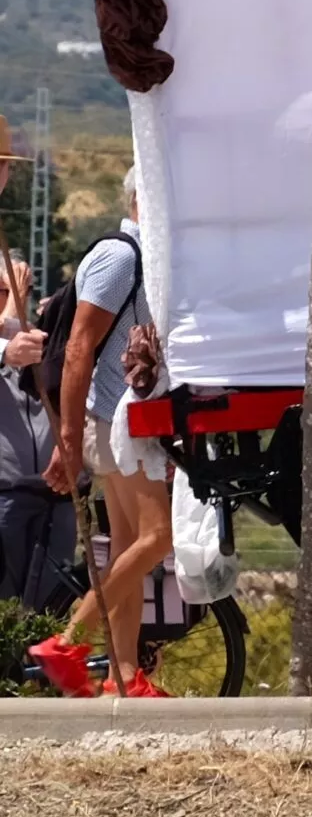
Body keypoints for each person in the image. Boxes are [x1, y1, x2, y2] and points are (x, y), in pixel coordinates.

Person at [29, 171, 168, 698]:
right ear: (140, 199)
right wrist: (68, 439)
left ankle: (125, 677)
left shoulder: (134, 257)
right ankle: (69, 642)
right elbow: (79, 348)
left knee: (131, 544)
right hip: (114, 421)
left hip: (115, 419)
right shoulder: (122, 258)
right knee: (161, 537)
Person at [0, 248, 68, 613]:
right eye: (4, 290)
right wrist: (13, 305)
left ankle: (40, 669)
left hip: (54, 493)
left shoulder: (38, 336)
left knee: (50, 608)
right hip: (5, 493)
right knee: (5, 605)